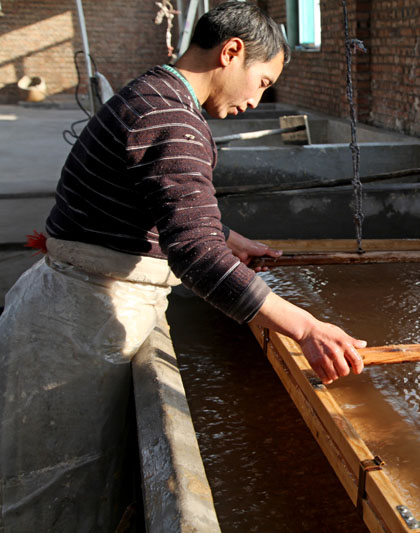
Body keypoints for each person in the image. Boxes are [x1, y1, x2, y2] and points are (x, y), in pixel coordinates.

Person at [0, 2, 365, 530]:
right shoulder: (173, 117)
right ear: (231, 52)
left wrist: (230, 237)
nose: (257, 99)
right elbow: (194, 255)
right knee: (54, 497)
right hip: (78, 326)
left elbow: (162, 203)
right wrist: (306, 327)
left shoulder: (155, 94)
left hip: (73, 308)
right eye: (261, 82)